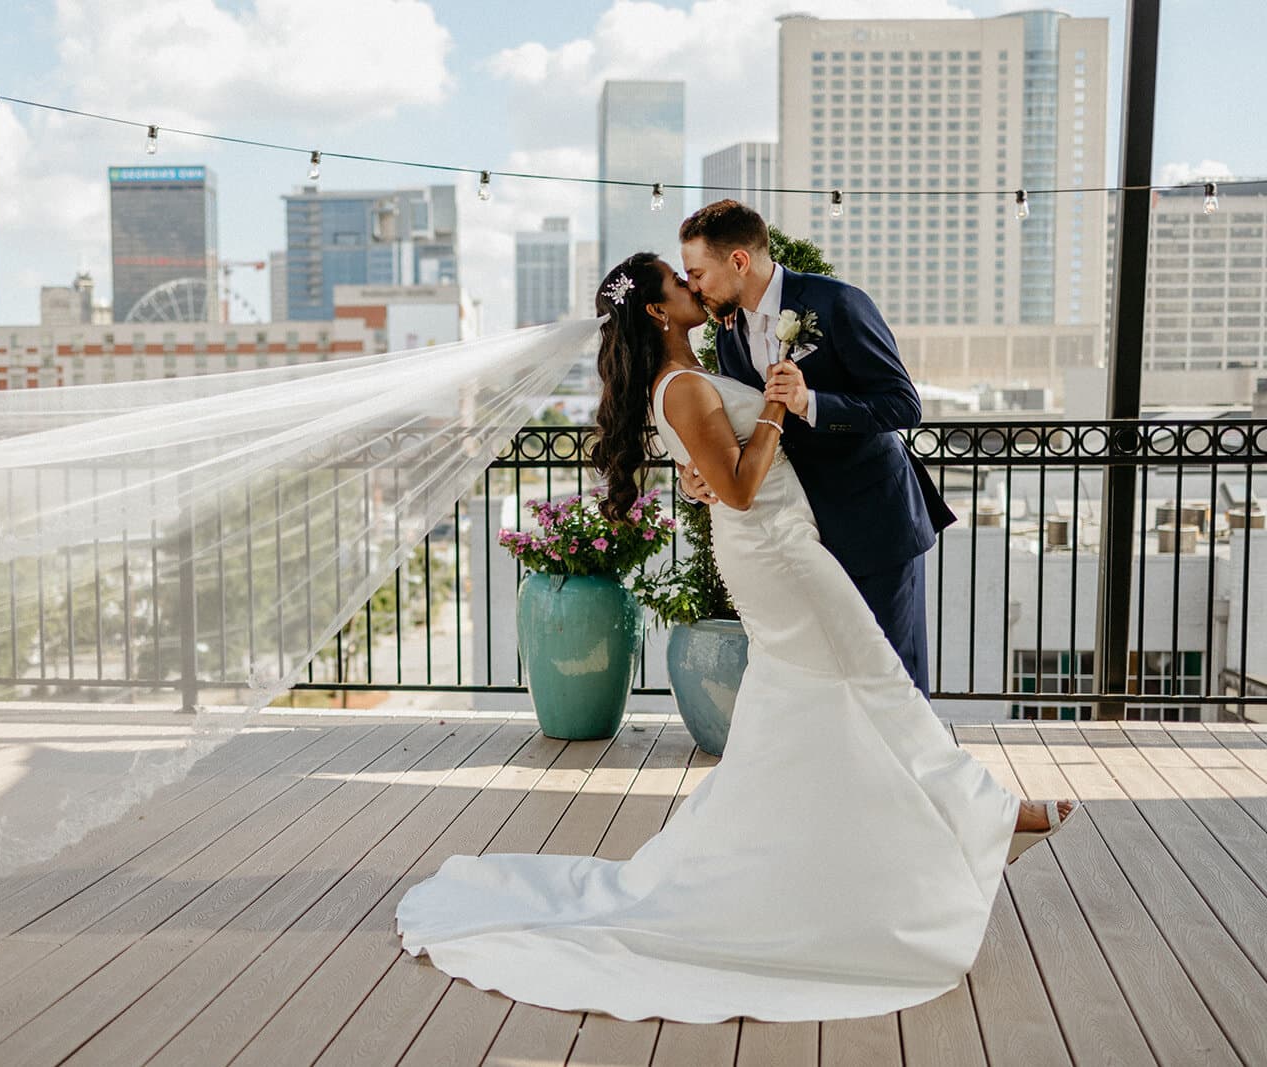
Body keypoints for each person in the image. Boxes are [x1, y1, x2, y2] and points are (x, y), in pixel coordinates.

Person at [393, 253, 1076, 1024]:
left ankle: (896, 839)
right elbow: (745, 484)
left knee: (834, 697)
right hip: (777, 554)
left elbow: (723, 464)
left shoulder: (696, 370)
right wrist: (779, 403)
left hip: (785, 545)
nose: (694, 289)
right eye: (678, 284)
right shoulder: (681, 384)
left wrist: (717, 454)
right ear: (656, 311)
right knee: (868, 683)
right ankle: (981, 817)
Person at [678, 199, 950, 697]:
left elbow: (903, 405)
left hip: (875, 526)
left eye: (698, 273)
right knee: (835, 683)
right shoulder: (730, 334)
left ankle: (908, 777)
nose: (693, 287)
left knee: (892, 678)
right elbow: (747, 433)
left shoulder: (837, 302)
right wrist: (698, 482)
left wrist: (811, 403)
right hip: (804, 540)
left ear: (738, 261)